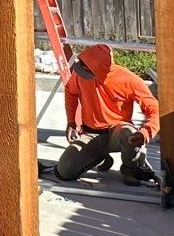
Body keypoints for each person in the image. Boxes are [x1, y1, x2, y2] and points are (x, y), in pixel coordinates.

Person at [52, 44, 161, 186]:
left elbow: (154, 109)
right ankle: (100, 154)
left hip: (117, 132)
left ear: (102, 70)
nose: (83, 72)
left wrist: (146, 133)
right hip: (91, 134)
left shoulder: (129, 80)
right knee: (64, 171)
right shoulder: (79, 74)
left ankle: (131, 169)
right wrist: (71, 121)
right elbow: (70, 92)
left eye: (88, 70)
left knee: (130, 134)